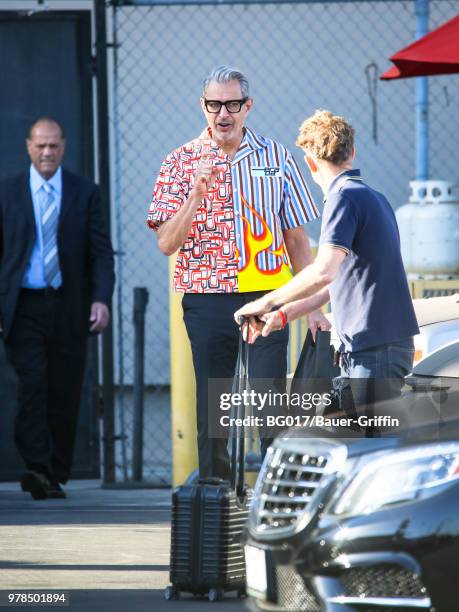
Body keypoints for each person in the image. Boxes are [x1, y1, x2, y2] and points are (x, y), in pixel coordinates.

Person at [147, 66, 328, 479]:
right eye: (214, 104)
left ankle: (274, 493)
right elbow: (165, 244)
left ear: (248, 106)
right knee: (214, 405)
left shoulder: (276, 157)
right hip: (207, 297)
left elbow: (296, 238)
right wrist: (195, 196)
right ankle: (215, 494)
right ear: (203, 106)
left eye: (232, 104)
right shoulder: (179, 162)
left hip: (269, 296)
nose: (223, 113)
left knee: (269, 397)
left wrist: (313, 304)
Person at [234, 109, 419, 426]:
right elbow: (342, 282)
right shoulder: (375, 198)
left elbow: (324, 271)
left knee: (371, 453)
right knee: (345, 445)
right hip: (376, 348)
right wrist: (284, 315)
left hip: (373, 350)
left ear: (309, 162)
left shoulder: (343, 198)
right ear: (353, 152)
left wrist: (266, 301)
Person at [0, 118, 115, 499]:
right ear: (29, 147)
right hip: (24, 305)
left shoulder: (85, 193)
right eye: (40, 146)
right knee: (32, 384)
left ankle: (55, 472)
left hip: (69, 305)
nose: (47, 152)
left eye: (53, 146)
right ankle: (37, 466)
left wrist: (100, 299)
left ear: (63, 147)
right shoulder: (8, 193)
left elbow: (101, 253)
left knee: (65, 389)